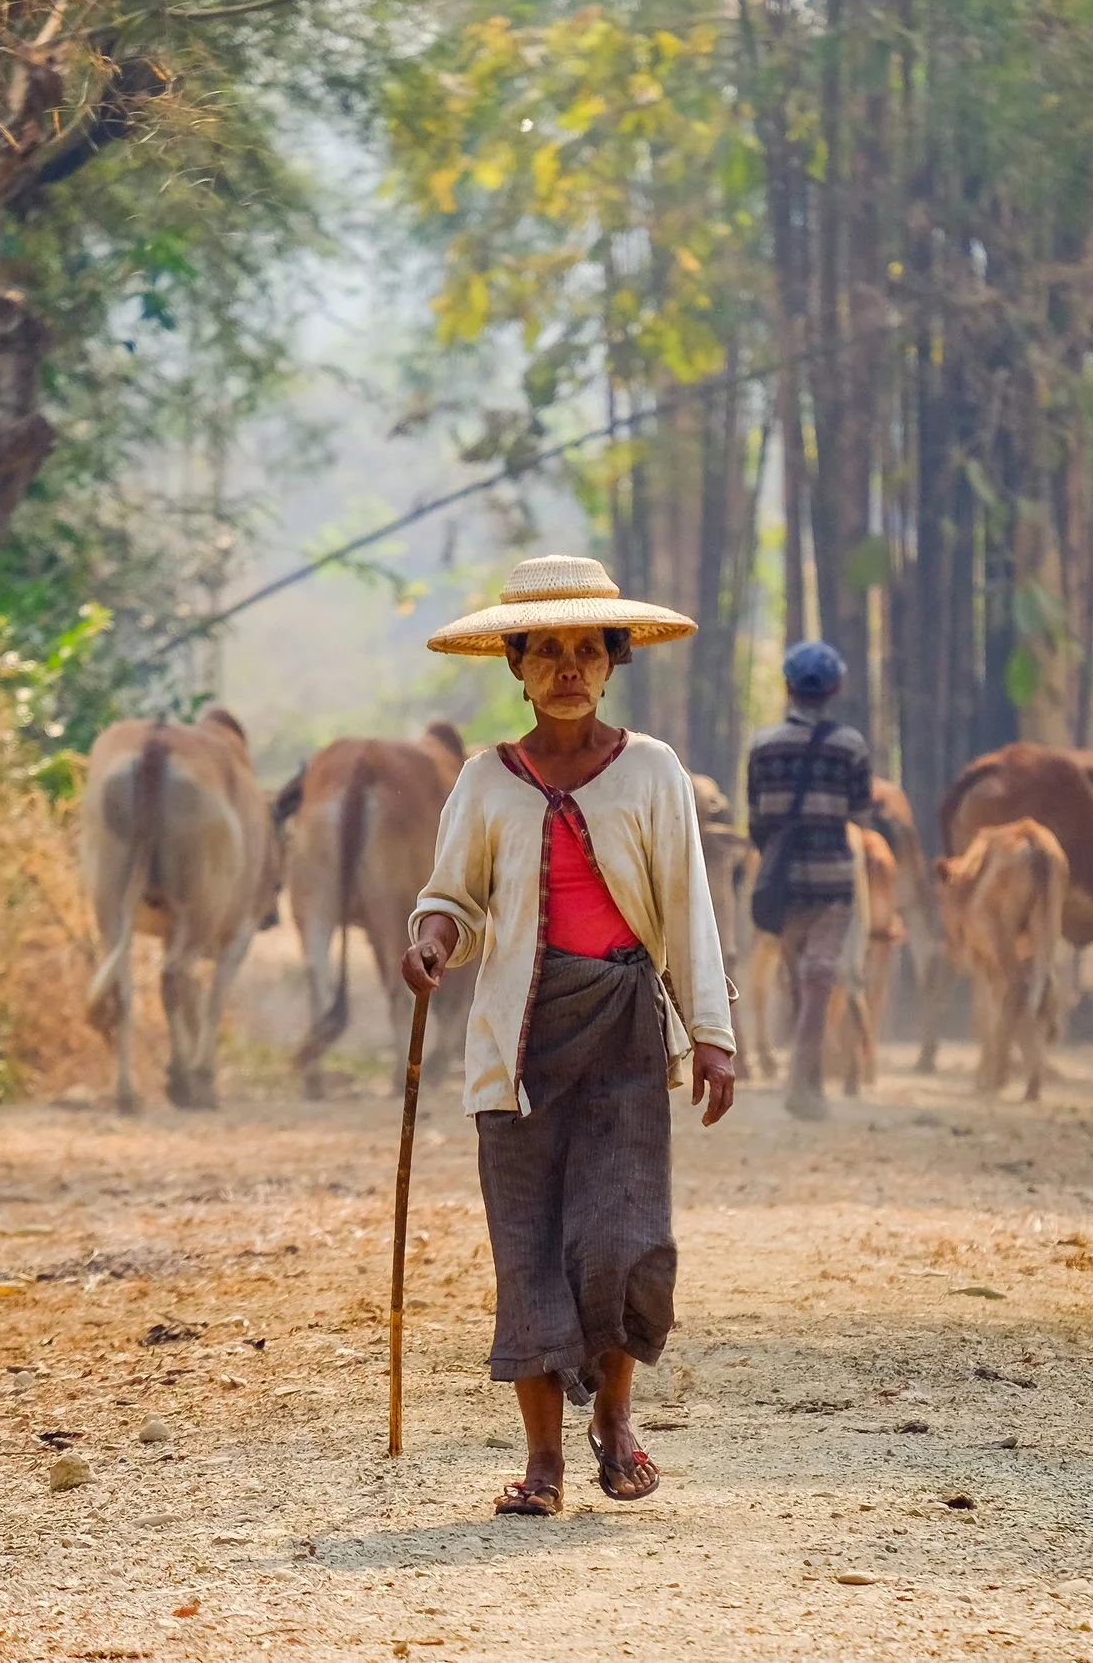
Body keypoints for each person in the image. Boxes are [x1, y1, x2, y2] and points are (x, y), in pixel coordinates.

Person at [401, 554, 738, 1519]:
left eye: (585, 648)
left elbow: (689, 911)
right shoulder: (484, 781)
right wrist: (429, 939)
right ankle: (542, 1462)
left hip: (626, 1029)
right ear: (515, 665)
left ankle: (617, 1422)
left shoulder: (654, 772)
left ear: (612, 659)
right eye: (544, 650)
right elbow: (451, 902)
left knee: (622, 1240)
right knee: (530, 1248)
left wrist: (710, 1035)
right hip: (519, 1043)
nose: (566, 668)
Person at [744, 639, 875, 1121]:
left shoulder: (762, 745)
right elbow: (860, 814)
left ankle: (805, 1083)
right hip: (833, 885)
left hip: (781, 885)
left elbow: (757, 820)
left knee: (803, 978)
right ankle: (806, 1083)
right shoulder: (850, 746)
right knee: (818, 977)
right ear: (835, 688)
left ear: (788, 687)